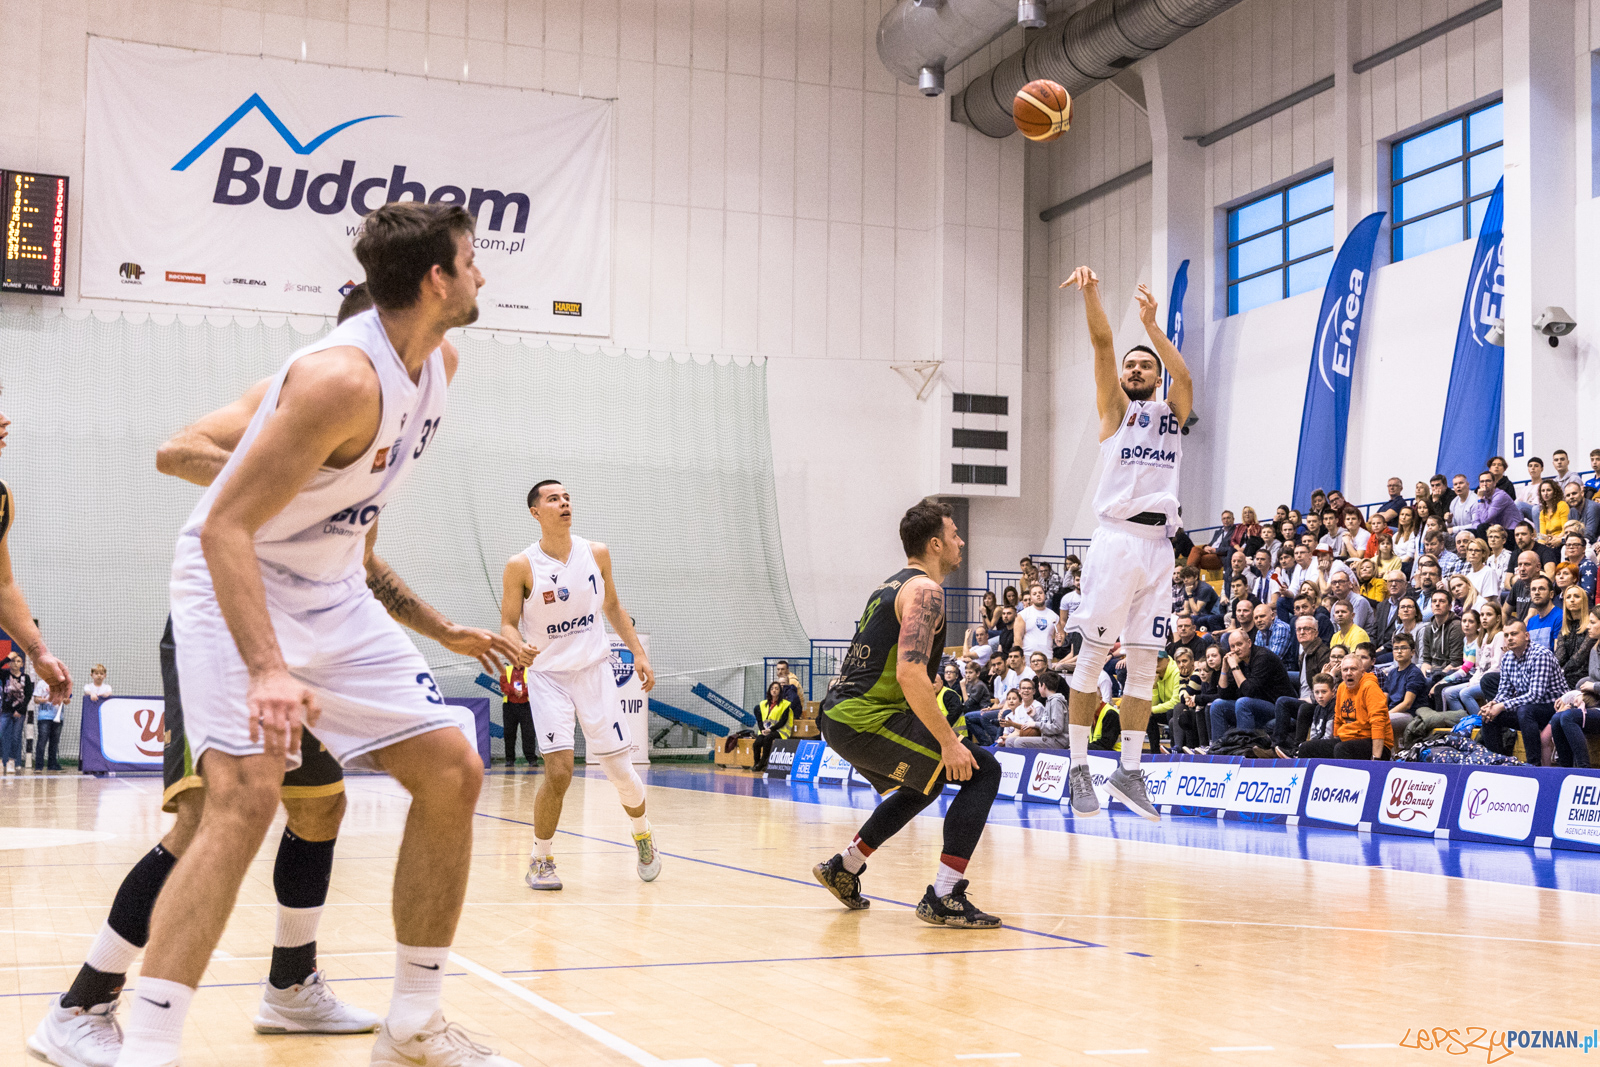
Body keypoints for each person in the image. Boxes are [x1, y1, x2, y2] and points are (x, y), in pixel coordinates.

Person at [98, 205, 531, 1067]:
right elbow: (223, 526)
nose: (483, 274)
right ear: (437, 279)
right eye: (472, 260)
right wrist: (266, 667)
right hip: (238, 576)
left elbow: (356, 534)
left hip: (330, 588)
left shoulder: (440, 361)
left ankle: (411, 1022)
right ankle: (147, 1042)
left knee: (454, 769)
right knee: (245, 798)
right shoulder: (339, 379)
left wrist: (441, 628)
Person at [30, 286, 394, 1067]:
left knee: (321, 808)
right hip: (225, 625)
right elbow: (175, 449)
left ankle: (292, 989)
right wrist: (280, 469)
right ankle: (80, 1004)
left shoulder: (398, 420)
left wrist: (441, 626)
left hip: (311, 631)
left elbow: (358, 557)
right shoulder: (294, 392)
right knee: (207, 819)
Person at [813, 501, 1003, 928]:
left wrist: (928, 685)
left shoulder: (890, 586)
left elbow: (886, 663)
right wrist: (950, 743)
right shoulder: (926, 592)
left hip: (845, 714)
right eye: (955, 534)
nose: (961, 541)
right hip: (864, 719)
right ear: (935, 544)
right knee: (981, 768)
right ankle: (945, 894)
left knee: (927, 784)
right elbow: (909, 671)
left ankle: (844, 866)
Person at [1057, 265, 1193, 822]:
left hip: (1159, 547)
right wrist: (1093, 292)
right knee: (1093, 656)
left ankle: (1129, 771)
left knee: (1144, 664)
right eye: (1131, 366)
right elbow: (1102, 343)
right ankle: (1079, 769)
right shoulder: (1117, 411)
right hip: (1115, 542)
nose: (1135, 369)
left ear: (1155, 377)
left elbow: (1184, 378)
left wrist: (1154, 327)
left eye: (1145, 366)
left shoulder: (1172, 413)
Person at [502, 479, 658, 892]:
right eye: (553, 499)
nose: (564, 502)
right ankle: (540, 859)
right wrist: (516, 646)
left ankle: (642, 834)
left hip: (594, 673)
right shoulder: (521, 565)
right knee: (559, 772)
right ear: (536, 512)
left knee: (621, 772)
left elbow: (613, 606)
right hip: (549, 678)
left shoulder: (596, 553)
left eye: (567, 497)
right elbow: (507, 622)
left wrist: (638, 653)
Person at [1478, 620, 1563, 762]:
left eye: (1514, 634)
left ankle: (1533, 765)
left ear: (1527, 636)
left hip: (1553, 708)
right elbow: (1504, 691)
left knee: (1524, 711)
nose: (1509, 638)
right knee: (1489, 716)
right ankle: (1497, 763)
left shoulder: (1540, 655)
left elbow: (1536, 695)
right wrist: (1493, 704)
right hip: (1528, 708)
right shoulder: (1507, 659)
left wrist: (1502, 706)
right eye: (1506, 635)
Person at [1298, 655, 1393, 760]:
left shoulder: (1370, 687)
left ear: (1362, 672)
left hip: (1376, 744)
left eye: (1353, 669)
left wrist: (1376, 758)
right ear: (1341, 674)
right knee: (1306, 748)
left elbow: (1378, 723)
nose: (1349, 673)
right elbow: (1338, 719)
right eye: (1345, 670)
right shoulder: (1341, 688)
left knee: (1341, 749)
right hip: (1347, 739)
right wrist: (1333, 741)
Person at [1207, 630, 1294, 742]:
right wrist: (1224, 668)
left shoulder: (1263, 657)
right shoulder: (1240, 660)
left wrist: (1234, 666)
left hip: (1277, 707)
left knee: (1243, 703)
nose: (1236, 649)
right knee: (1218, 705)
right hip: (1255, 706)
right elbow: (1224, 694)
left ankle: (1243, 749)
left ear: (1249, 643)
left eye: (1239, 644)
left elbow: (1249, 692)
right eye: (1232, 646)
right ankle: (1218, 749)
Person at [1272, 614, 1329, 756]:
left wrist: (1312, 699)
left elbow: (1326, 684)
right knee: (1269, 724)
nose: (1302, 632)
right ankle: (1278, 748)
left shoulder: (1323, 653)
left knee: (1284, 702)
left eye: (1306, 629)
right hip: (1304, 702)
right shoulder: (1304, 653)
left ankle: (1283, 747)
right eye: (1298, 629)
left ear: (1316, 632)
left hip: (1316, 703)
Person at [1549, 611, 1600, 767]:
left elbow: (1594, 683)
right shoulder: (1595, 648)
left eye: (1592, 622)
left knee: (1568, 717)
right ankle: (1565, 769)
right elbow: (1591, 678)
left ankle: (1584, 769)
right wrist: (1572, 696)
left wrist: (1594, 687)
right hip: (1596, 706)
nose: (1588, 627)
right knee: (1558, 718)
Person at [999, 669, 1069, 749]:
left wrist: (1035, 724)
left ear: (1044, 686)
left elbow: (1057, 727)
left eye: (1038, 685)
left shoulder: (1056, 702)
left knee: (1020, 742)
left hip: (1058, 740)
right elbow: (1046, 723)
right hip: (1050, 738)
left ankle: (1026, 761)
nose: (1038, 688)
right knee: (1010, 741)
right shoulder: (1050, 701)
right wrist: (1035, 716)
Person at [1377, 633, 1428, 738]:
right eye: (1396, 648)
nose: (1399, 651)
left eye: (1403, 648)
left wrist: (1385, 715)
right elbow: (1383, 699)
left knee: (1380, 722)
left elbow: (1407, 704)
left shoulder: (1414, 673)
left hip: (1410, 714)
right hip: (1393, 712)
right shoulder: (1392, 673)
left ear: (1412, 652)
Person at [1418, 590, 1464, 684]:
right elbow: (1426, 659)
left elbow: (1456, 661)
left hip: (1449, 671)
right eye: (1434, 601)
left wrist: (1439, 677)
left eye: (1442, 601)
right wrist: (1424, 675)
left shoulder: (1456, 626)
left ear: (1450, 606)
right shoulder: (1428, 628)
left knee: (1427, 683)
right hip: (1432, 670)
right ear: (1431, 606)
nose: (1437, 604)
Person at [752, 681, 795, 772]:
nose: (774, 690)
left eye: (776, 688)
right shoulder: (763, 704)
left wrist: (770, 730)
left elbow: (782, 721)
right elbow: (760, 720)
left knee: (767, 739)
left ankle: (763, 762)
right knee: (757, 743)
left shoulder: (785, 704)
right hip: (765, 730)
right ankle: (756, 762)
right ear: (769, 691)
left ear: (780, 691)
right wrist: (762, 730)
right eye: (772, 688)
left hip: (780, 730)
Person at [1555, 586, 1593, 689]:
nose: (1572, 600)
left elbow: (1581, 655)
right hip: (1566, 676)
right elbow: (1559, 656)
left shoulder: (1591, 625)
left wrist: (1561, 672)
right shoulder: (1565, 628)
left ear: (1584, 600)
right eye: (1568, 597)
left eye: (1576, 596)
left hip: (1586, 677)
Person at [500, 661, 535, 768]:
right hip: (510, 706)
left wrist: (523, 692)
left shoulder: (530, 671)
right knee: (509, 733)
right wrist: (514, 691)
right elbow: (503, 684)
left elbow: (535, 685)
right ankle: (509, 759)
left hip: (526, 705)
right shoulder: (506, 670)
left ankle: (531, 759)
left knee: (528, 733)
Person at [1014, 582, 1060, 664]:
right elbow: (1017, 639)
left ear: (1044, 595)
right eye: (1034, 594)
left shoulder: (1054, 616)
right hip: (1028, 655)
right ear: (1031, 598)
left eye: (1040, 593)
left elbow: (1060, 638)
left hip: (1047, 656)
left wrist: (1059, 639)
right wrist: (1020, 658)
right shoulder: (1023, 615)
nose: (1038, 595)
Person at [1, 651, 31, 774]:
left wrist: (21, 710)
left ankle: (11, 761)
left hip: (19, 713)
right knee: (1, 733)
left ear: (22, 664)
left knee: (15, 737)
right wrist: (7, 657)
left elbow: (28, 695)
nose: (15, 663)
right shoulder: (4, 675)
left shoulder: (26, 678)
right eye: (13, 661)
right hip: (6, 711)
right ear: (9, 664)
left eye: (18, 661)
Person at [1523, 575, 1563, 653]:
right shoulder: (1531, 621)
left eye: (1541, 589)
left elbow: (1558, 654)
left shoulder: (1560, 617)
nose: (1537, 592)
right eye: (1533, 589)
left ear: (1551, 594)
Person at [31, 680, 63, 771]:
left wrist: (63, 699)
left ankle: (52, 765)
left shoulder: (61, 684)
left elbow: (68, 699)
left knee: (54, 743)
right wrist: (47, 700)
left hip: (58, 717)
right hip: (44, 717)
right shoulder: (41, 683)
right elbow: (36, 699)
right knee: (42, 741)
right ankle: (38, 766)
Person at [1537, 479, 1570, 545]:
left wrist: (1555, 539)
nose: (1545, 493)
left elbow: (1566, 529)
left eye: (1548, 490)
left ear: (1555, 492)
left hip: (1561, 541)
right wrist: (1543, 543)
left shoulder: (1562, 505)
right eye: (1543, 491)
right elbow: (1542, 535)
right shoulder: (1542, 512)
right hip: (1549, 542)